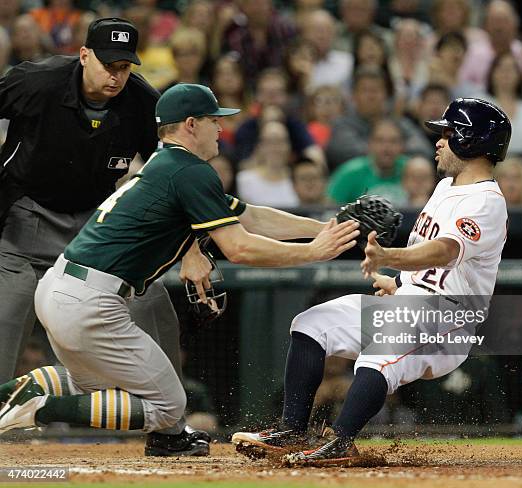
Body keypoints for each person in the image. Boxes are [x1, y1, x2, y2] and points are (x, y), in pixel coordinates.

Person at [0, 84, 360, 454]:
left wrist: (322, 229)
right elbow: (238, 248)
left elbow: (251, 216)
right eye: (213, 120)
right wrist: (314, 252)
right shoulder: (189, 170)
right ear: (190, 124)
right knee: (168, 407)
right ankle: (39, 408)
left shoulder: (169, 164)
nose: (221, 128)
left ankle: (13, 394)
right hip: (91, 302)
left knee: (89, 385)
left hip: (64, 288)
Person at [231, 97, 511, 464]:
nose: (438, 141)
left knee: (377, 358)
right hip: (412, 304)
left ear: (470, 140)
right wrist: (401, 281)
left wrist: (388, 256)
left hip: (447, 322)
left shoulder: (487, 200)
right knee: (311, 325)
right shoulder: (447, 187)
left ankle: (341, 441)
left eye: (447, 133)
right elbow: (430, 261)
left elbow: (444, 251)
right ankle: (292, 429)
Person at [0, 17, 216, 455]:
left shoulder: (140, 101)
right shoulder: (36, 81)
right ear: (84, 56)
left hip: (94, 229)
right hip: (27, 217)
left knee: (155, 304)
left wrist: (193, 249)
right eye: (108, 65)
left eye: (125, 66)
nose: (116, 75)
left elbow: (174, 176)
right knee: (6, 318)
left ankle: (169, 428)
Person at [327, 118, 410, 206]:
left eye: (393, 141)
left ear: (402, 145)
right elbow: (329, 209)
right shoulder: (351, 172)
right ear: (369, 144)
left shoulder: (412, 170)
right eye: (380, 140)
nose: (387, 147)